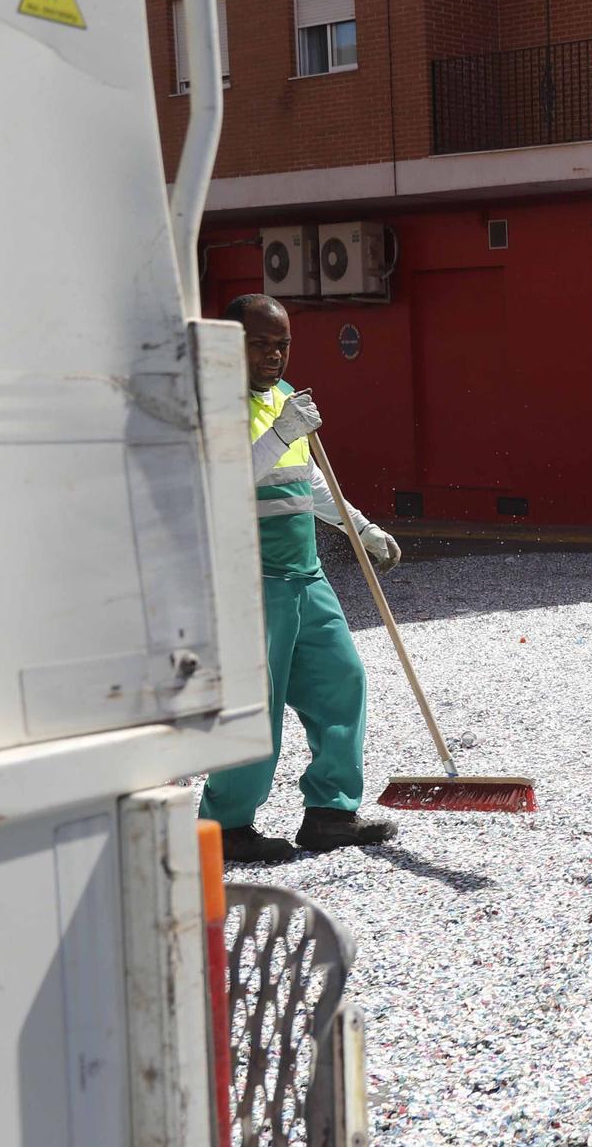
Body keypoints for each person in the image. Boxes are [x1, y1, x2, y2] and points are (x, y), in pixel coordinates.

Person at [203, 294, 405, 864]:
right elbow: (225, 482)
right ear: (228, 345)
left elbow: (310, 482)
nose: (273, 355)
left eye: (282, 343)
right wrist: (281, 429)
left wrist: (359, 529)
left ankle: (330, 814)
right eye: (260, 343)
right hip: (250, 580)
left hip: (304, 572)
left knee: (341, 680)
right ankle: (227, 826)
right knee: (255, 703)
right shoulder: (212, 404)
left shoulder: (287, 399)